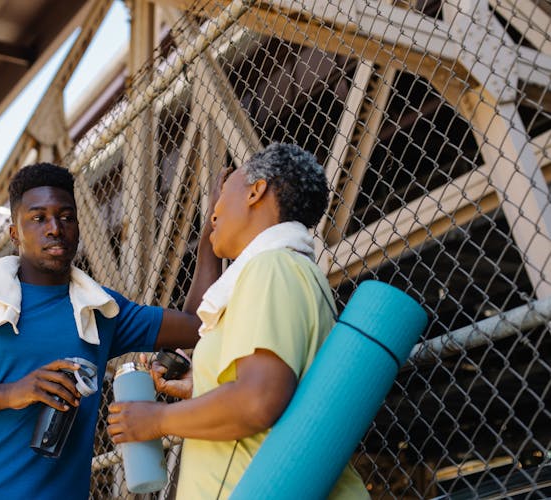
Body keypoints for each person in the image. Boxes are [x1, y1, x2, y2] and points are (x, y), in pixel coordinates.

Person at [0, 162, 220, 499]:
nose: (55, 229)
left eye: (66, 216)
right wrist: (11, 393)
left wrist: (209, 239)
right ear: (14, 233)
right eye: (38, 218)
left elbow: (198, 324)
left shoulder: (100, 309)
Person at [106, 143, 370, 499]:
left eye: (222, 195)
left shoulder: (271, 267)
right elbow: (272, 394)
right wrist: (201, 385)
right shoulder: (282, 270)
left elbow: (258, 399)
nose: (212, 213)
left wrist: (155, 419)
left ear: (255, 191)